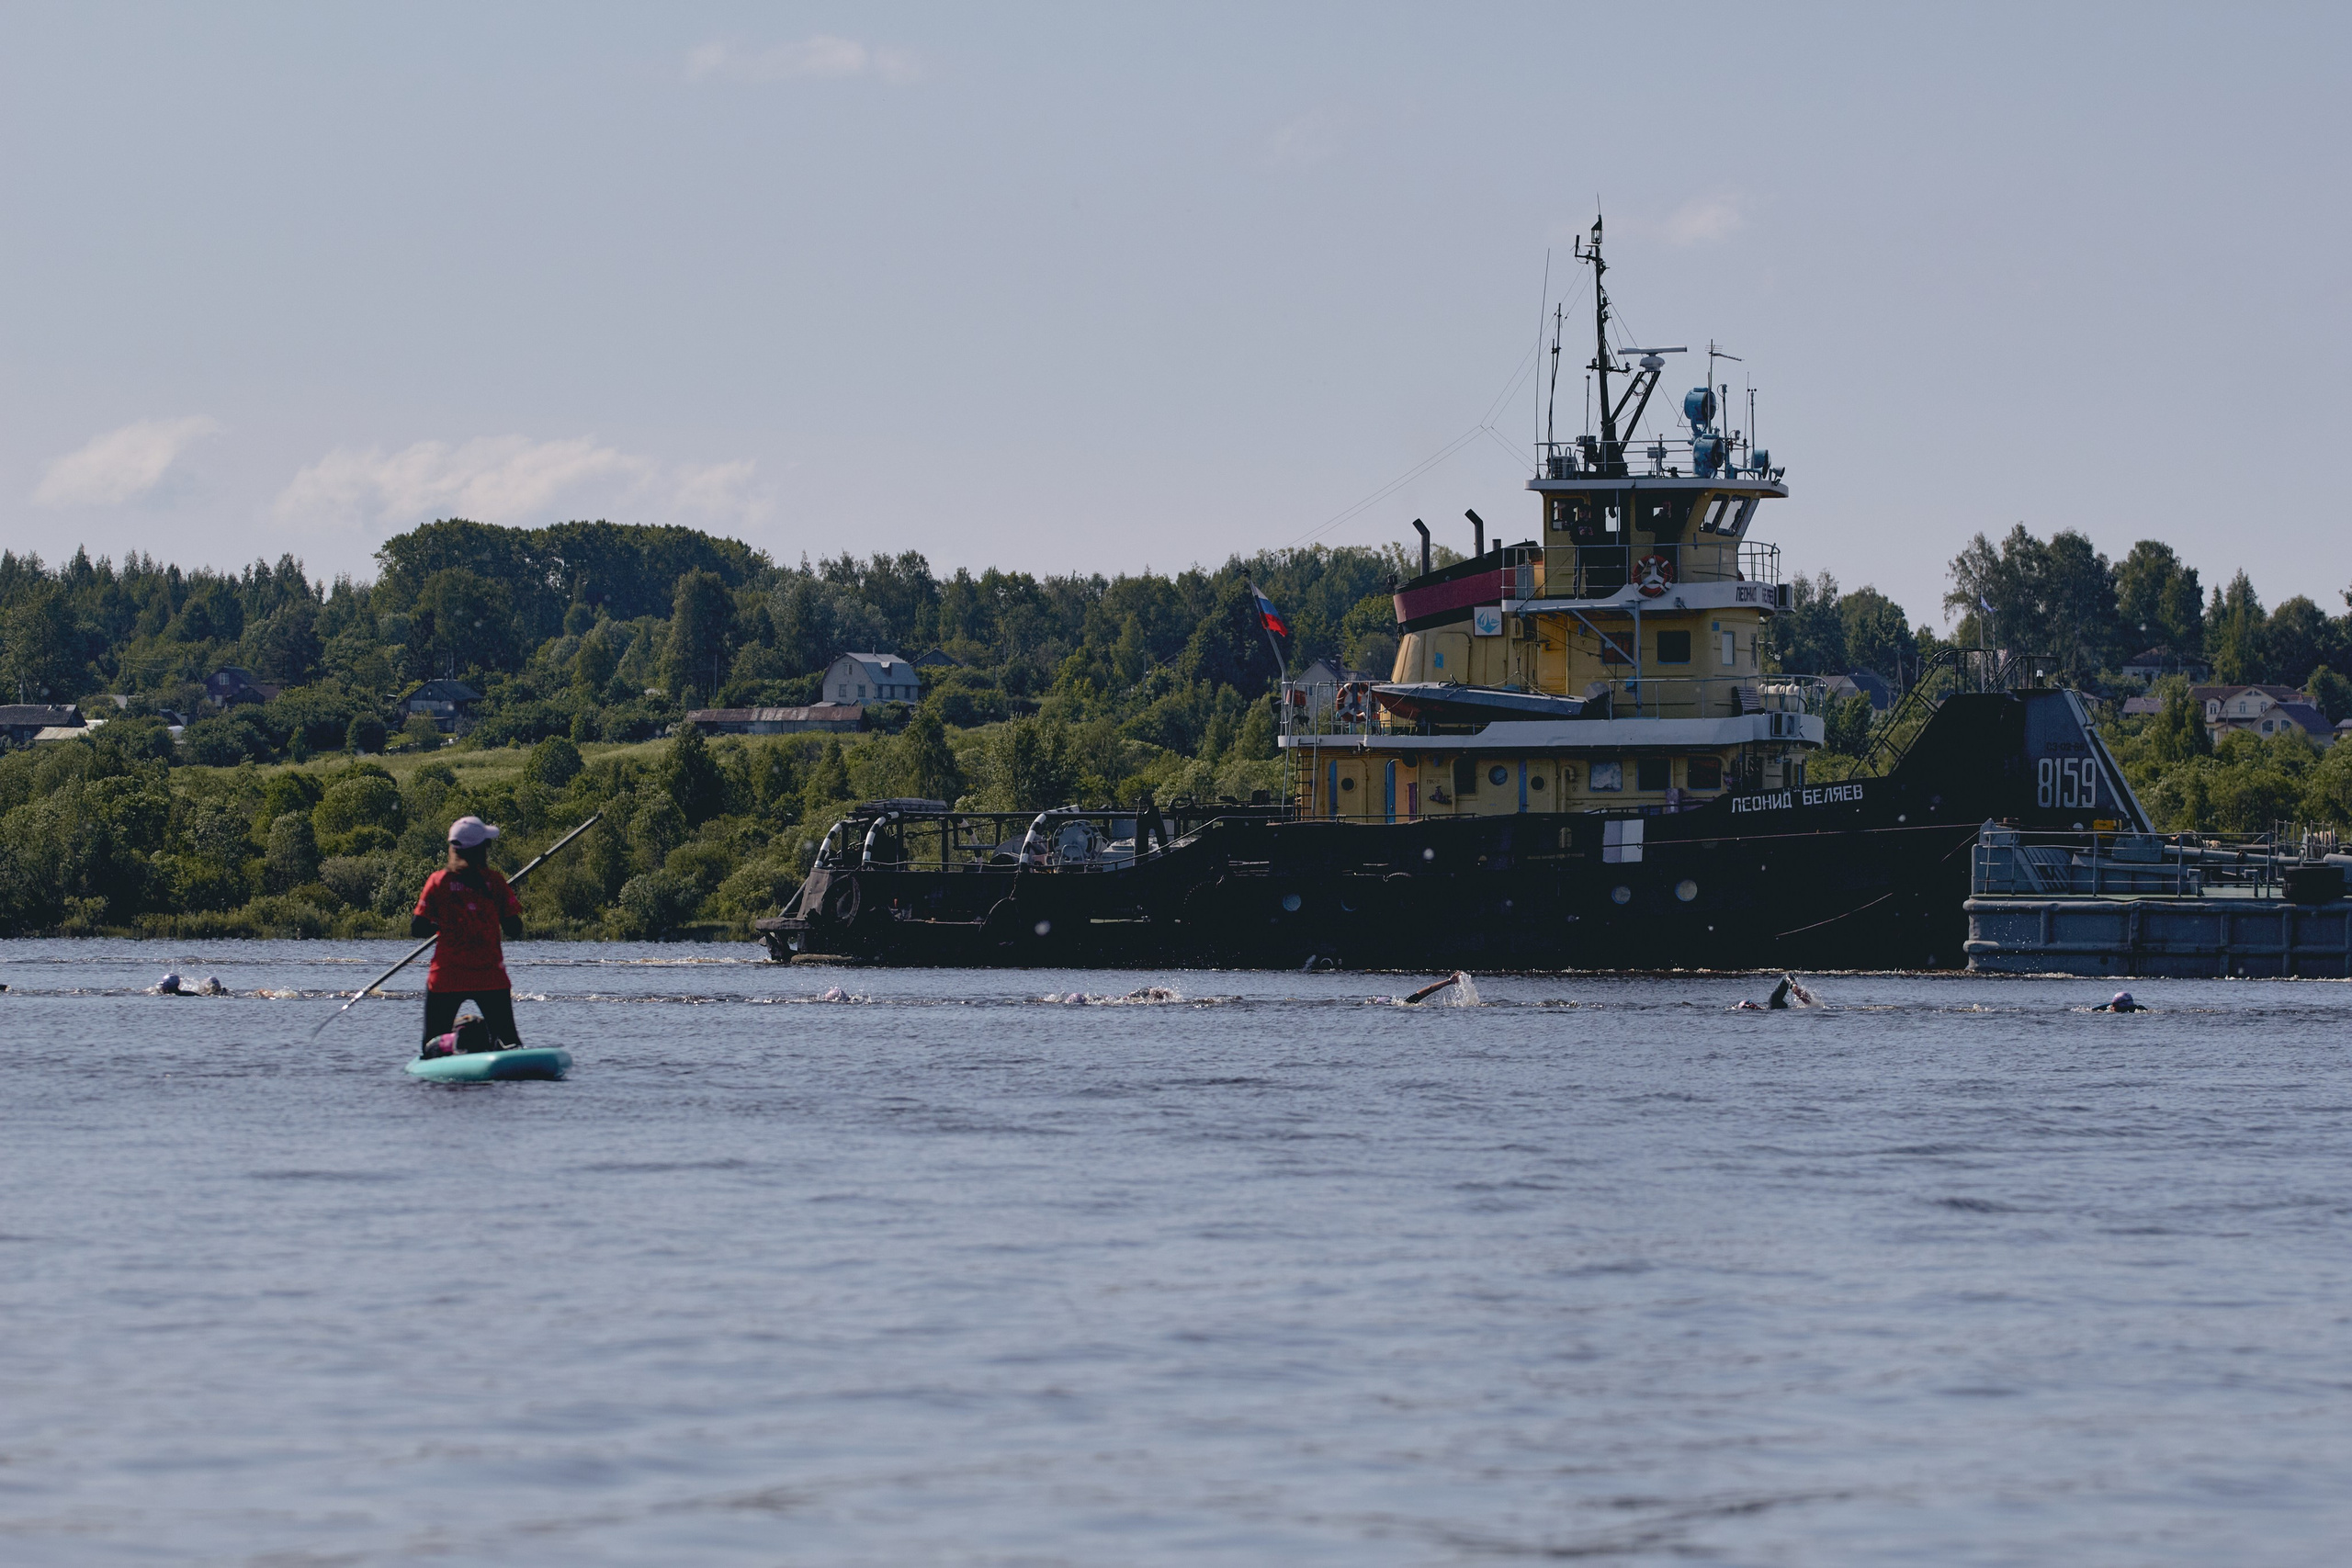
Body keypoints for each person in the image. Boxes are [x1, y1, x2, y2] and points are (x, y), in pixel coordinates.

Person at [412, 815, 525, 1055]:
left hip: (446, 977)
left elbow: (417, 928)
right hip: (490, 977)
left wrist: (444, 925)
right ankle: (496, 1048)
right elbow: (515, 929)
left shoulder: (438, 881)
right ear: (481, 849)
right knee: (510, 1042)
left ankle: (447, 1046)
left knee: (429, 1046)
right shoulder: (495, 882)